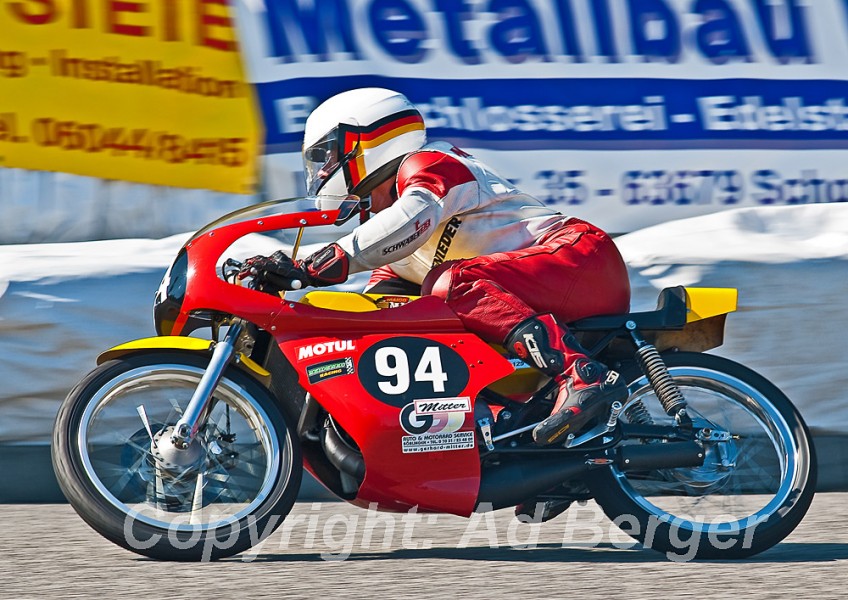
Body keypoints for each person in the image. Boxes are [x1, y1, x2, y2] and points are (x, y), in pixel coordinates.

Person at [244, 88, 631, 446]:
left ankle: (582, 375)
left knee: (451, 281)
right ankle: (514, 437)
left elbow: (413, 216)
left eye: (328, 155)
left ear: (366, 141)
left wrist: (313, 265)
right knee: (418, 322)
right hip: (546, 283)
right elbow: (377, 317)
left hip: (582, 260)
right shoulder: (391, 242)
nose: (324, 169)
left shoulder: (430, 163)